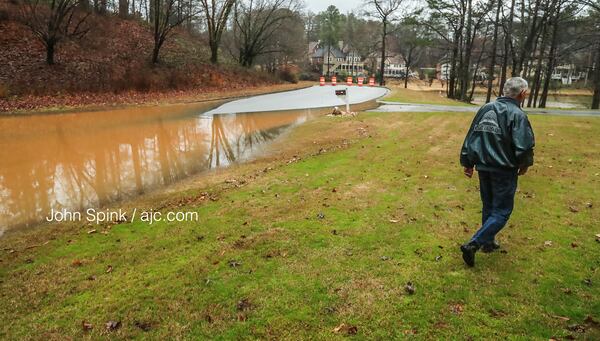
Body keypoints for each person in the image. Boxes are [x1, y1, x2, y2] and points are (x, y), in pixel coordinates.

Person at [459, 77, 535, 267]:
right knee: (501, 211)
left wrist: (467, 161)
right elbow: (524, 145)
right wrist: (524, 164)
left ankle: (488, 242)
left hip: (484, 167)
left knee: (489, 206)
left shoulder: (486, 108)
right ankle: (474, 244)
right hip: (504, 169)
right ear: (522, 93)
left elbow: (471, 136)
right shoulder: (517, 114)